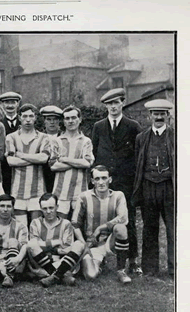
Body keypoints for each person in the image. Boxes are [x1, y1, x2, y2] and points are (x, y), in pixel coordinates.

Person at [92, 88, 142, 275]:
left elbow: (138, 155)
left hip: (125, 182)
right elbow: (95, 153)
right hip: (104, 182)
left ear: (122, 103)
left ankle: (133, 260)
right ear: (105, 106)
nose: (113, 107)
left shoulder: (133, 126)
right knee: (102, 218)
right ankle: (101, 258)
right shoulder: (98, 127)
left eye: (116, 103)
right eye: (109, 104)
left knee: (127, 220)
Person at [132, 99, 175, 277]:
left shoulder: (176, 136)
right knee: (149, 227)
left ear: (168, 116)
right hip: (149, 186)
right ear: (149, 116)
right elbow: (138, 162)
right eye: (155, 114)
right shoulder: (141, 138)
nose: (159, 117)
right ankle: (150, 268)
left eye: (162, 114)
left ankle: (175, 267)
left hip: (169, 187)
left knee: (173, 228)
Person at [71, 165, 132, 284]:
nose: (101, 182)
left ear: (110, 179)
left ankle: (121, 271)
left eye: (104, 178)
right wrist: (84, 245)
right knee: (90, 276)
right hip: (93, 244)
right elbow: (75, 223)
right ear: (92, 181)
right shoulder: (84, 197)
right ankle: (98, 264)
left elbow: (123, 218)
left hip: (110, 241)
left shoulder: (118, 195)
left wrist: (100, 228)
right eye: (97, 179)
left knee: (121, 228)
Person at [27, 193, 86, 287]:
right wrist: (57, 242)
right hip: (43, 262)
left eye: (51, 208)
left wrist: (47, 246)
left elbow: (66, 248)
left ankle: (51, 275)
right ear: (40, 209)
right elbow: (34, 245)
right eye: (45, 208)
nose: (48, 211)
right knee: (31, 244)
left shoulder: (66, 224)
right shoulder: (35, 223)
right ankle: (61, 275)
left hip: (62, 261)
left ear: (57, 207)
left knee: (79, 244)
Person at [6, 104, 50, 226]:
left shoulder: (43, 137)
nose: (28, 119)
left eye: (31, 116)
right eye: (25, 116)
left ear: (35, 118)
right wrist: (34, 158)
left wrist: (20, 154)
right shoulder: (11, 137)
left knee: (36, 225)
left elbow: (43, 158)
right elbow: (11, 161)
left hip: (37, 190)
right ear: (19, 117)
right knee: (21, 227)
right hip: (18, 190)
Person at [50, 105, 94, 219]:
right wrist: (77, 162)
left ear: (79, 120)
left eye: (73, 118)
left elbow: (87, 163)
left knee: (78, 225)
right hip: (60, 192)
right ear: (63, 122)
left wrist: (65, 159)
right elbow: (53, 166)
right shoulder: (57, 141)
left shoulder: (86, 141)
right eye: (67, 118)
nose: (71, 121)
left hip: (80, 191)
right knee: (61, 225)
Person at [0, 194, 28, 288]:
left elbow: (24, 246)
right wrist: (0, 266)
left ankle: (6, 275)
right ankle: (9, 275)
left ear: (12, 208)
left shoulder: (20, 226)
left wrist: (18, 259)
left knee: (13, 242)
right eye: (2, 206)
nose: (5, 209)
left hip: (14, 260)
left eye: (8, 206)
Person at [0, 91, 22, 194]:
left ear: (18, 104)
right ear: (3, 105)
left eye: (13, 102)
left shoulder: (24, 122)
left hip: (22, 163)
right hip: (5, 165)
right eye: (7, 102)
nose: (10, 105)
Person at [40, 105, 64, 192]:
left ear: (59, 121)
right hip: (42, 174)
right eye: (49, 119)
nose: (52, 122)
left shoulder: (64, 138)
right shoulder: (39, 137)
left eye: (55, 119)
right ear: (44, 121)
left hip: (60, 174)